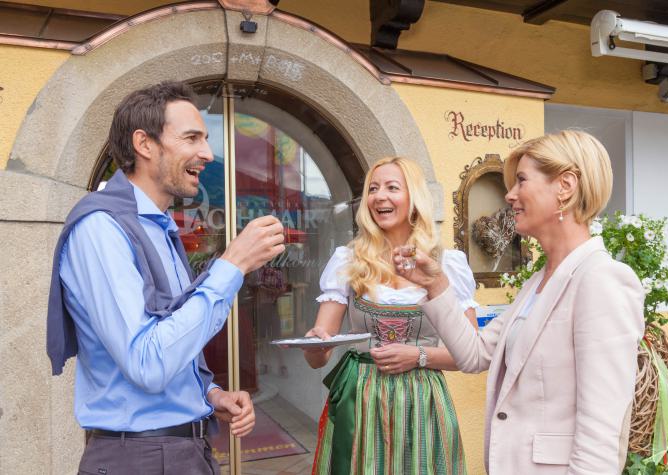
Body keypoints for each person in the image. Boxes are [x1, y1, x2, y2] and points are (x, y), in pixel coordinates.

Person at [46, 81, 285, 475]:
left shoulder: (160, 229)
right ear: (144, 144)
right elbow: (147, 363)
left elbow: (170, 340)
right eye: (191, 138)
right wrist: (232, 265)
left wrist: (210, 394)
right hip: (139, 458)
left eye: (205, 139)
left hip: (181, 450)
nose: (207, 153)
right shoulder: (101, 228)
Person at [393, 131, 645, 474]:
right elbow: (475, 354)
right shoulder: (539, 281)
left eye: (521, 181)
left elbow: (601, 432)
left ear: (565, 186)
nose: (509, 195)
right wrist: (435, 285)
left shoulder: (601, 279)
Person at [302, 157, 478, 475]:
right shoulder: (349, 260)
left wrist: (418, 355)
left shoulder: (446, 264)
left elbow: (470, 354)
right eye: (373, 188)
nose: (379, 196)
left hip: (422, 402)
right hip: (360, 399)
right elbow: (318, 357)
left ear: (414, 199)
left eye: (392, 187)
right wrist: (314, 344)